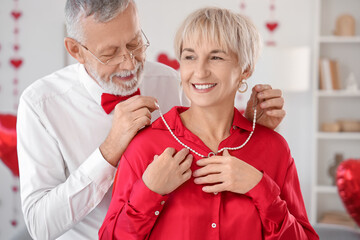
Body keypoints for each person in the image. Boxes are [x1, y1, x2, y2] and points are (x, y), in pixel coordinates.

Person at [17, 1, 285, 240]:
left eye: (134, 43)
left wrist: (253, 131)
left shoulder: (169, 80)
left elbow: (207, 126)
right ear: (76, 50)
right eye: (110, 53)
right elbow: (40, 226)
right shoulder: (40, 105)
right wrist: (110, 150)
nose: (129, 63)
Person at [99, 6, 319, 240]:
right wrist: (149, 192)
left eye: (216, 57)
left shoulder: (274, 148)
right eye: (190, 57)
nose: (200, 72)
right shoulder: (145, 146)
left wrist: (260, 188)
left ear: (245, 69)